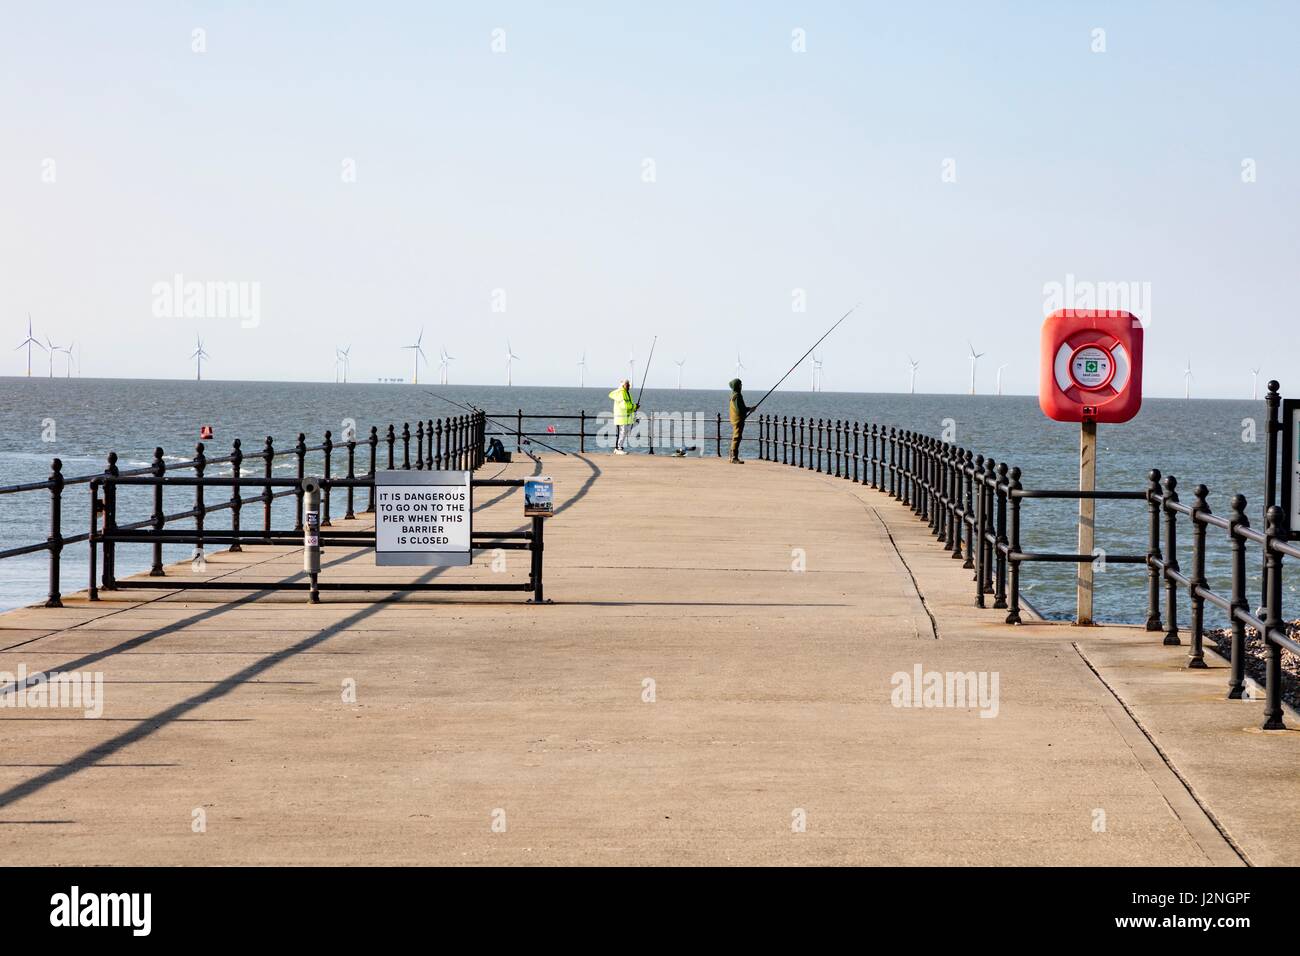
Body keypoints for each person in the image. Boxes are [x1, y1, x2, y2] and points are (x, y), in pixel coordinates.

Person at [608, 379, 638, 454]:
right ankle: (618, 448)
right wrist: (634, 406)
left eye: (629, 384)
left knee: (624, 433)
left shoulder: (627, 393)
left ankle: (619, 447)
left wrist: (634, 407)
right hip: (621, 417)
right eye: (627, 385)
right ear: (623, 385)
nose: (629, 386)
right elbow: (624, 405)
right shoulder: (621, 393)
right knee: (621, 432)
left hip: (625, 418)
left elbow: (628, 406)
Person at [728, 378, 751, 463]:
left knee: (735, 437)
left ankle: (731, 456)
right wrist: (749, 409)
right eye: (740, 385)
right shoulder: (737, 396)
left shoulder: (732, 395)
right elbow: (740, 409)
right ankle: (734, 458)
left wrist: (748, 409)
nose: (741, 386)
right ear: (737, 386)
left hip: (734, 419)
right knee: (737, 437)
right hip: (738, 420)